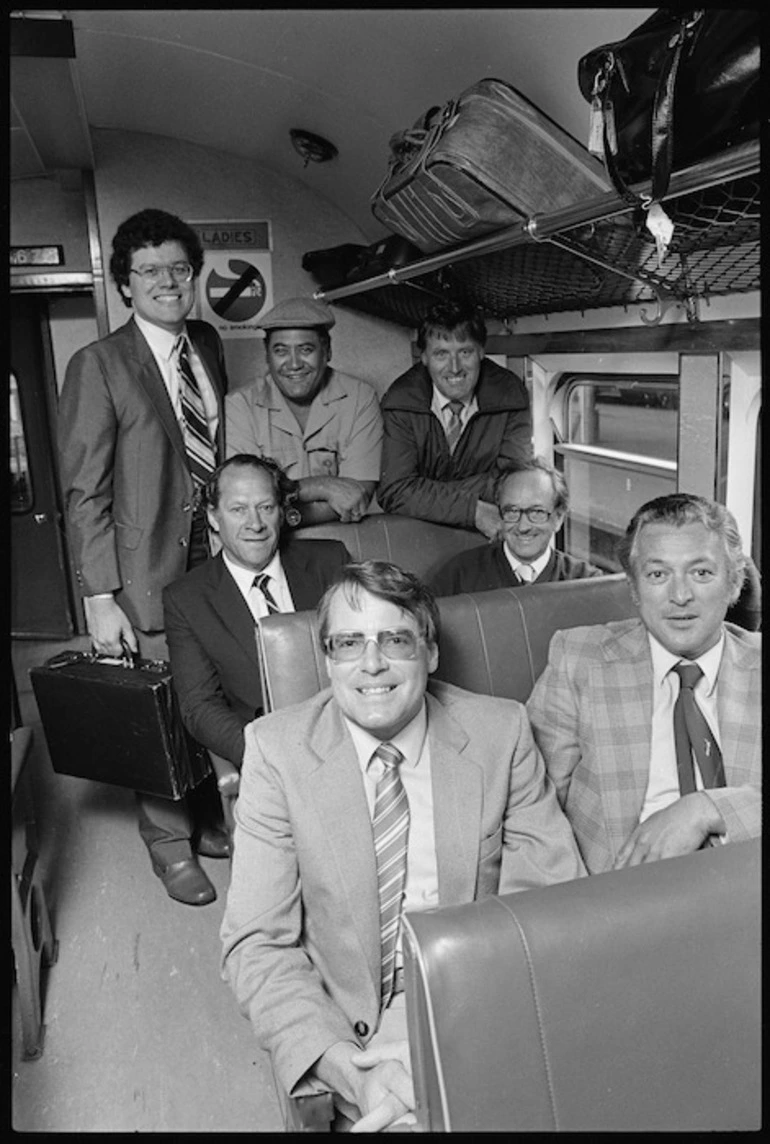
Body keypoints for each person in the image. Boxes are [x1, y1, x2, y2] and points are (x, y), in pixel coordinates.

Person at [220, 560, 585, 1132]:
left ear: (431, 653)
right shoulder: (276, 752)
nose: (372, 664)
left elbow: (546, 906)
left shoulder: (500, 734)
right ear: (326, 659)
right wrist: (352, 1072)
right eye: (348, 644)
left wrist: (441, 1039)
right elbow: (257, 944)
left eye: (395, 640)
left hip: (478, 1014)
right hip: (345, 1040)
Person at [58, 207, 230, 907]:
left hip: (212, 555)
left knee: (211, 690)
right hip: (141, 564)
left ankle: (210, 813)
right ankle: (169, 844)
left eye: (179, 269)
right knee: (159, 704)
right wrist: (101, 597)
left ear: (194, 277)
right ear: (125, 286)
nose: (168, 281)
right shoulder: (97, 364)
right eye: (150, 271)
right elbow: (83, 491)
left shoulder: (210, 345)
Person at [527, 493, 761, 876]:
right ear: (634, 589)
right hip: (618, 898)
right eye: (658, 574)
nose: (680, 596)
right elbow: (533, 806)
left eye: (701, 572)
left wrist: (706, 809)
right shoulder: (578, 658)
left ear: (734, 584)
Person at [163, 453, 350, 769]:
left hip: (347, 737)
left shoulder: (330, 561)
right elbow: (200, 707)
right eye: (238, 510)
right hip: (268, 753)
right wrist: (267, 756)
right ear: (212, 516)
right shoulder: (187, 599)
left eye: (266, 508)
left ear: (281, 512)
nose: (255, 524)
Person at [377, 300, 532, 538]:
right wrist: (472, 510)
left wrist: (424, 492)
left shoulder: (510, 395)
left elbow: (514, 482)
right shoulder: (401, 400)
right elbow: (395, 490)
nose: (455, 367)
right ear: (424, 357)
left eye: (465, 352)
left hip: (489, 532)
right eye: (441, 354)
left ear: (481, 351)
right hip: (419, 532)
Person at [224, 297, 382, 524]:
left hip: (342, 541)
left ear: (327, 351)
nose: (294, 363)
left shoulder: (359, 397)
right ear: (267, 355)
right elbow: (245, 498)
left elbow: (356, 496)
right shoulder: (240, 405)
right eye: (281, 351)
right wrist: (321, 486)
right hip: (268, 550)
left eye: (306, 349)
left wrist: (280, 505)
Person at [430, 457, 603, 595]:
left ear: (558, 518)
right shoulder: (459, 574)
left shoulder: (586, 581)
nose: (523, 527)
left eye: (537, 512)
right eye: (512, 511)